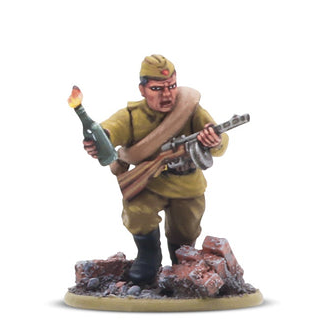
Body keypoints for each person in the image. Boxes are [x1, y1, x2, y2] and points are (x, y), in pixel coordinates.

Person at [83, 54, 228, 284]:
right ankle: (148, 256)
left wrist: (214, 140)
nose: (167, 94)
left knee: (187, 227)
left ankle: (182, 263)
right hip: (149, 183)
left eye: (172, 86)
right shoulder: (133, 115)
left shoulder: (190, 109)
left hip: (187, 184)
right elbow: (112, 128)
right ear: (142, 89)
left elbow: (220, 143)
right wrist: (101, 140)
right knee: (137, 210)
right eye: (157, 88)